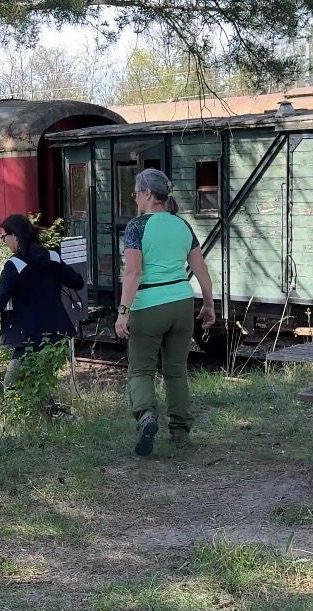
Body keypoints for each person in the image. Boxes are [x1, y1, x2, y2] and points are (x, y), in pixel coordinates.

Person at [115, 168, 216, 457]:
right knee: (176, 370)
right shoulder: (182, 225)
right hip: (182, 303)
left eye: (136, 192)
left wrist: (123, 312)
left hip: (149, 304)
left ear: (147, 193)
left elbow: (133, 273)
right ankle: (180, 431)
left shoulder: (136, 227)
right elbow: (201, 270)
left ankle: (146, 416)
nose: (135, 198)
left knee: (141, 370)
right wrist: (209, 305)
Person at [0, 214, 85, 408]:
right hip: (57, 334)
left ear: (15, 236)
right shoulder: (53, 257)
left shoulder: (14, 265)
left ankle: (27, 423)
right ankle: (55, 420)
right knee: (39, 385)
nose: (3, 241)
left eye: (4, 237)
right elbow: (77, 282)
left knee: (11, 386)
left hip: (29, 337)